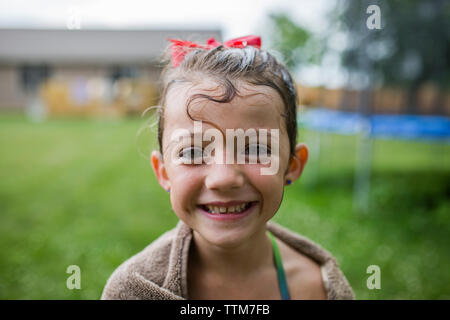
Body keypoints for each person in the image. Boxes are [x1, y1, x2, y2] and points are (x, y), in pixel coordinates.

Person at [101, 35, 354, 300]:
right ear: (163, 172)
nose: (223, 178)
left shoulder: (318, 288)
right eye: (193, 152)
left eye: (255, 149)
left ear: (292, 165)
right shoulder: (132, 291)